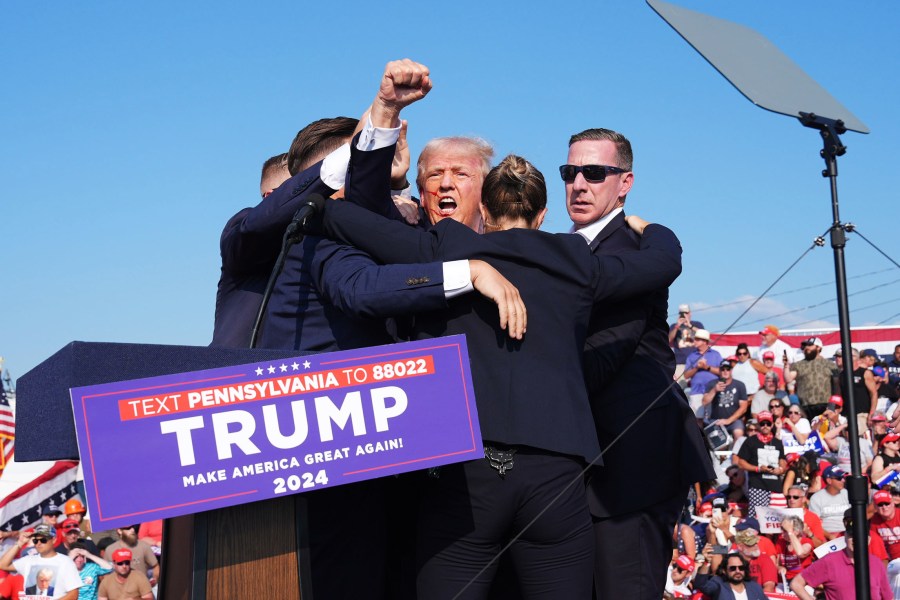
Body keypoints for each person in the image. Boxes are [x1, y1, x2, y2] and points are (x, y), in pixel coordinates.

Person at [317, 153, 686, 598]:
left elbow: (344, 220)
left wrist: (353, 198)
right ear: (543, 214)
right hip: (556, 471)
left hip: (464, 470)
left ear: (485, 212)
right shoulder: (577, 261)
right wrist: (650, 230)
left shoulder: (448, 246)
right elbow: (663, 263)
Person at [559, 127, 714, 599]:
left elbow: (600, 356)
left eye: (594, 172)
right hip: (592, 470)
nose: (579, 183)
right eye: (570, 172)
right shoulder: (570, 249)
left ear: (624, 183)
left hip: (630, 471)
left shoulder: (631, 250)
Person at [791, 511, 892, 600]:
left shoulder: (876, 563)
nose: (855, 540)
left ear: (868, 540)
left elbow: (887, 597)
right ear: (845, 537)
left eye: (859, 536)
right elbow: (796, 583)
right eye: (851, 536)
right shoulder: (830, 561)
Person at [0, 524, 83, 599]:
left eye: (43, 540)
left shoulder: (65, 562)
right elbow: (3, 564)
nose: (39, 543)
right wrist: (19, 543)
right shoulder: (28, 560)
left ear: (53, 540)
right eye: (36, 540)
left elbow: (74, 594)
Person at [734, 410, 786, 517]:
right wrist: (758, 469)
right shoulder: (751, 441)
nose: (765, 426)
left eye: (768, 423)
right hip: (758, 486)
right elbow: (741, 462)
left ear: (772, 424)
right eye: (762, 424)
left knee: (778, 520)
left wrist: (780, 469)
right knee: (757, 518)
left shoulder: (777, 442)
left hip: (775, 486)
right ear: (758, 425)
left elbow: (783, 460)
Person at [785, 337, 838, 420]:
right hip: (805, 407)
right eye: (805, 346)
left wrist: (832, 406)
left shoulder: (830, 365)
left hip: (825, 405)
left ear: (818, 347)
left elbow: (837, 387)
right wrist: (786, 367)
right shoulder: (798, 365)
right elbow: (788, 379)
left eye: (810, 345)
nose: (806, 348)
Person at [836, 346, 879, 433]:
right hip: (845, 415)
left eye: (846, 355)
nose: (844, 358)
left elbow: (874, 393)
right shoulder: (841, 375)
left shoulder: (865, 373)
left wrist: (871, 413)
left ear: (855, 357)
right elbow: (839, 396)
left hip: (861, 414)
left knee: (856, 435)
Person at [702, 359, 748, 440]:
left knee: (739, 433)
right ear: (719, 371)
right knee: (718, 443)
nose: (725, 371)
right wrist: (714, 390)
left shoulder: (739, 385)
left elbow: (743, 408)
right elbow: (704, 402)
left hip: (734, 420)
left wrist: (728, 421)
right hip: (715, 420)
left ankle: (735, 453)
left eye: (728, 369)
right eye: (723, 369)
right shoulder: (712, 384)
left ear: (731, 370)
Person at [683, 329, 723, 419]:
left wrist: (707, 367)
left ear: (705, 341)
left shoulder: (716, 354)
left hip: (712, 391)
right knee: (697, 418)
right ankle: (699, 434)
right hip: (696, 391)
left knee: (712, 418)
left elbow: (722, 372)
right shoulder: (691, 356)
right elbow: (686, 375)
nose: (695, 341)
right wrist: (697, 367)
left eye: (697, 339)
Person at [694, 550, 767, 600]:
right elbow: (700, 584)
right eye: (733, 568)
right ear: (724, 571)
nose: (738, 571)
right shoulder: (718, 585)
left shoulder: (755, 587)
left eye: (741, 568)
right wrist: (706, 562)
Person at [808, 466, 851, 540]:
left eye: (843, 478)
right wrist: (830, 536)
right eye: (839, 478)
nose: (843, 480)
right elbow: (814, 524)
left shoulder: (848, 494)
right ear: (829, 481)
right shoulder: (816, 498)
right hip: (826, 536)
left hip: (848, 533)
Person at [774, 515, 813, 583]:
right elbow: (777, 564)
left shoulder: (806, 541)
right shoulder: (781, 542)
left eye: (785, 531)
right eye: (782, 530)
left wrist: (790, 532)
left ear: (796, 532)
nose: (782, 533)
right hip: (786, 580)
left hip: (803, 580)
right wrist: (779, 567)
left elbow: (801, 553)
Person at [669, 303, 704, 376]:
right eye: (682, 313)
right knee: (678, 385)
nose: (684, 315)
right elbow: (669, 340)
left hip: (696, 361)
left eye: (686, 313)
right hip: (680, 362)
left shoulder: (697, 324)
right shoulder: (674, 326)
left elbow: (704, 335)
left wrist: (690, 326)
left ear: (690, 313)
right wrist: (677, 326)